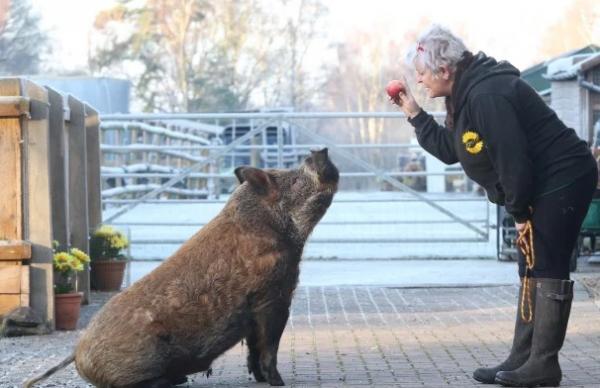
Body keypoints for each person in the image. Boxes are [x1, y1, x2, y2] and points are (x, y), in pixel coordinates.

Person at [391, 25, 597, 387]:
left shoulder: (487, 95)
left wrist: (519, 214)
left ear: (444, 70)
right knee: (530, 263)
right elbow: (451, 150)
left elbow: (512, 161)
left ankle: (544, 365)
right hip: (539, 181)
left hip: (564, 176)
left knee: (546, 261)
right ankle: (523, 358)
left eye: (421, 74)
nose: (419, 81)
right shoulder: (465, 94)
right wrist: (413, 112)